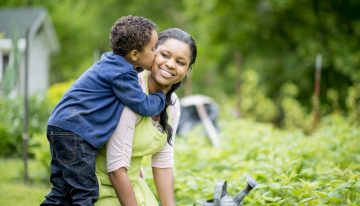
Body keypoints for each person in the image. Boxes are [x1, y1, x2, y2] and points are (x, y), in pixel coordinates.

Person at [41, 16, 166, 206]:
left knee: (62, 190)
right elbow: (143, 106)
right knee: (85, 192)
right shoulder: (123, 73)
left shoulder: (112, 64)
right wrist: (161, 97)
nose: (156, 54)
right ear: (134, 54)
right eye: (153, 48)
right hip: (76, 133)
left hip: (61, 126)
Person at [95, 28, 197, 205]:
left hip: (132, 185)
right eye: (164, 55)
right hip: (99, 185)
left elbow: (163, 162)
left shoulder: (172, 103)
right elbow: (116, 169)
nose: (171, 64)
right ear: (151, 54)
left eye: (180, 62)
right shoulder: (131, 93)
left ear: (187, 70)